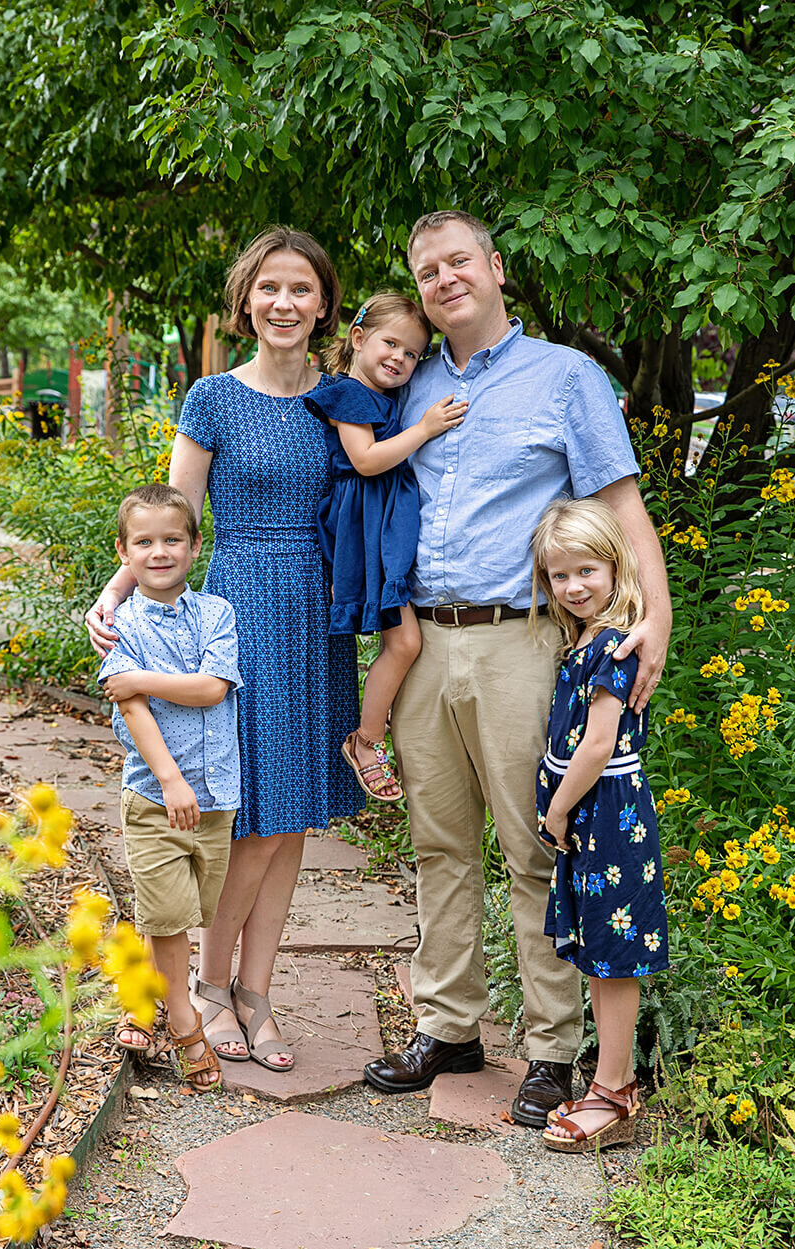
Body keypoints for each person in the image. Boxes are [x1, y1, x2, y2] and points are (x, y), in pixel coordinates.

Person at [363, 210, 671, 1128]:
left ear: (495, 268)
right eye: (426, 271)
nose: (443, 279)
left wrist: (653, 617)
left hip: (519, 640)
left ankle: (548, 1049)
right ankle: (447, 1025)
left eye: (458, 261)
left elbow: (619, 501)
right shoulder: (406, 380)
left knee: (539, 842)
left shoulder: (565, 377)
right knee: (439, 841)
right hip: (420, 640)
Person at [86, 228, 363, 1072]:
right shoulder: (211, 395)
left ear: (324, 304)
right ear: (246, 299)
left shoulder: (344, 398)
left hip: (318, 614)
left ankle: (257, 993)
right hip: (239, 608)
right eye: (268, 288)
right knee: (248, 817)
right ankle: (209, 990)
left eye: (301, 289)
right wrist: (114, 593)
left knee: (294, 820)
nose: (284, 303)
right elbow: (167, 518)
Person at [530, 496, 668, 1152]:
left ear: (615, 567)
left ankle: (614, 1090)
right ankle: (609, 1080)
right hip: (591, 818)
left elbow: (598, 743)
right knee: (596, 952)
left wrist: (556, 807)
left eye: (586, 570)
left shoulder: (613, 644)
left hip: (606, 815)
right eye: (559, 575)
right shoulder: (581, 639)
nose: (573, 586)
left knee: (612, 956)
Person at [100, 483, 242, 1092]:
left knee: (192, 910)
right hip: (157, 797)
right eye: (145, 542)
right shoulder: (117, 625)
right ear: (124, 553)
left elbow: (214, 688)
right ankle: (184, 1026)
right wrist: (171, 779)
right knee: (167, 919)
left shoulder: (216, 612)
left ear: (194, 546)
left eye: (172, 540)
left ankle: (145, 991)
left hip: (218, 798)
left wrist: (141, 679)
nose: (159, 552)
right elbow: (129, 711)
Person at [304, 293, 467, 802]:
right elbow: (368, 459)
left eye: (413, 353)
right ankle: (367, 739)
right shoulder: (351, 394)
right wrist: (424, 429)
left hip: (382, 528)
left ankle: (377, 728)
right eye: (390, 343)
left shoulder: (384, 393)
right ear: (358, 338)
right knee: (404, 641)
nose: (399, 358)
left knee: (402, 641)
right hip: (362, 532)